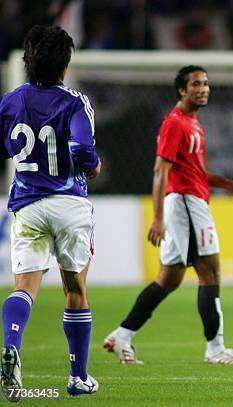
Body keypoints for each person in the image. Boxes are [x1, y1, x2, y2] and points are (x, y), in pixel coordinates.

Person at [103, 65, 233, 365]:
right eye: (196, 84)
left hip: (190, 201)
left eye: (206, 83)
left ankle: (123, 334)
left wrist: (225, 183)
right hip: (185, 204)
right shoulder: (174, 123)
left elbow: (194, 171)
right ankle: (215, 349)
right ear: (182, 90)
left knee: (169, 278)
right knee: (210, 273)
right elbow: (161, 170)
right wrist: (157, 218)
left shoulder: (193, 124)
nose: (203, 89)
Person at [0, 25, 101, 399]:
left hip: (28, 205)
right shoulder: (75, 102)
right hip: (70, 204)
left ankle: (12, 346)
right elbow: (81, 147)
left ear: (28, 60)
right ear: (65, 63)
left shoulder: (9, 102)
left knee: (25, 287)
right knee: (75, 288)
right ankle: (78, 377)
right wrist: (94, 164)